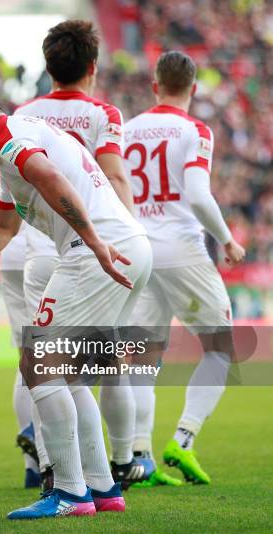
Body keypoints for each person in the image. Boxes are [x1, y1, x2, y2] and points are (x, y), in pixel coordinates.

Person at [0, 82, 151, 519]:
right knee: (69, 375)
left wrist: (93, 242)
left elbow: (51, 178)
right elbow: (1, 226)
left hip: (98, 254)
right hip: (129, 248)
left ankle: (69, 492)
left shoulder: (5, 135)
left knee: (38, 363)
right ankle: (103, 488)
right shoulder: (19, 139)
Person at [15, 19, 155, 489]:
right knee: (108, 359)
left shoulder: (24, 114)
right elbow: (114, 178)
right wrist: (129, 230)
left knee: (38, 362)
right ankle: (117, 461)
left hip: (38, 252)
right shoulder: (103, 114)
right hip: (93, 252)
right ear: (92, 66)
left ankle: (47, 468)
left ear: (48, 66)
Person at [124, 51, 245, 485]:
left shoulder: (128, 128)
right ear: (193, 89)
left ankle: (138, 456)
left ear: (156, 86)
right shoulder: (194, 129)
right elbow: (196, 194)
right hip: (180, 248)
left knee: (142, 359)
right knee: (220, 349)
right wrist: (227, 238)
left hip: (136, 250)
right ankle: (184, 439)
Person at [0, 223, 43, 488]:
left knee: (28, 355)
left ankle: (32, 468)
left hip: (11, 252)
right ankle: (40, 436)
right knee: (55, 355)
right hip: (44, 252)